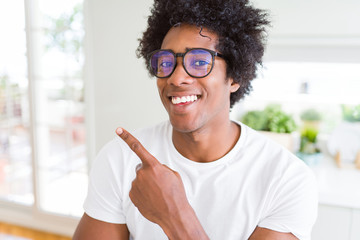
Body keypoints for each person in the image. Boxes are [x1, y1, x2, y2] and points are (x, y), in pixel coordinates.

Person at [73, 0, 318, 239]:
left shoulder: (287, 179)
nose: (176, 78)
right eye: (165, 62)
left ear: (235, 76)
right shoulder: (121, 159)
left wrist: (175, 216)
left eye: (199, 62)